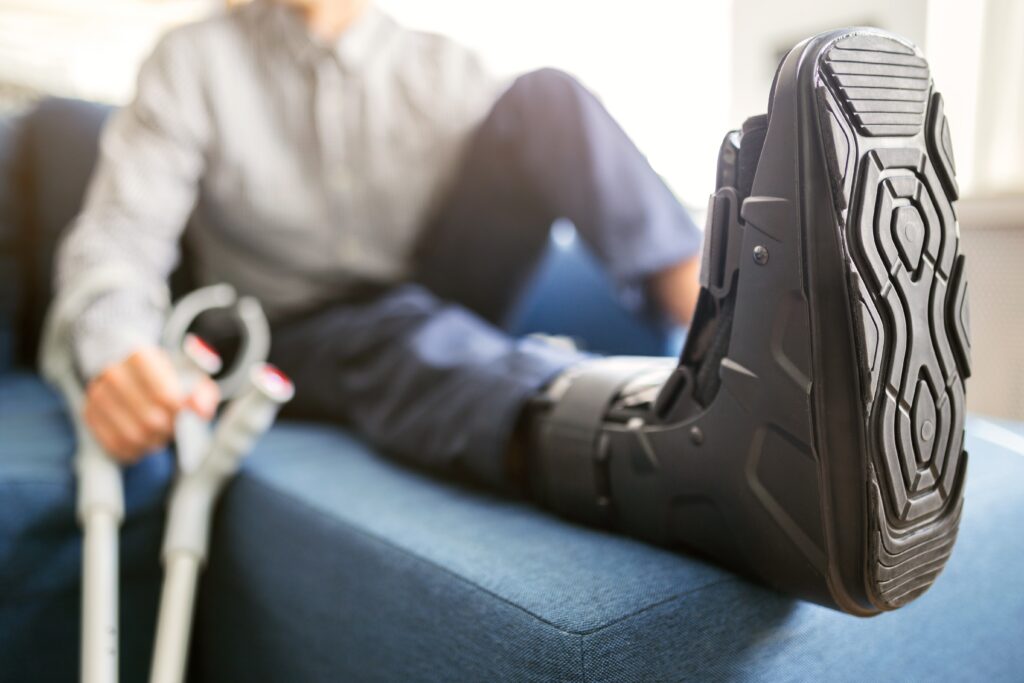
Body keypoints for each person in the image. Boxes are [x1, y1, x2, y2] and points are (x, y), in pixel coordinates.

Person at [55, 0, 971, 616]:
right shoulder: (194, 60)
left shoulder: (439, 66)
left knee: (547, 97)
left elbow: (532, 166)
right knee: (402, 331)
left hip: (436, 280)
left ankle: (729, 334)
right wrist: (115, 348)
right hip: (295, 324)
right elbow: (116, 242)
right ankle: (656, 453)